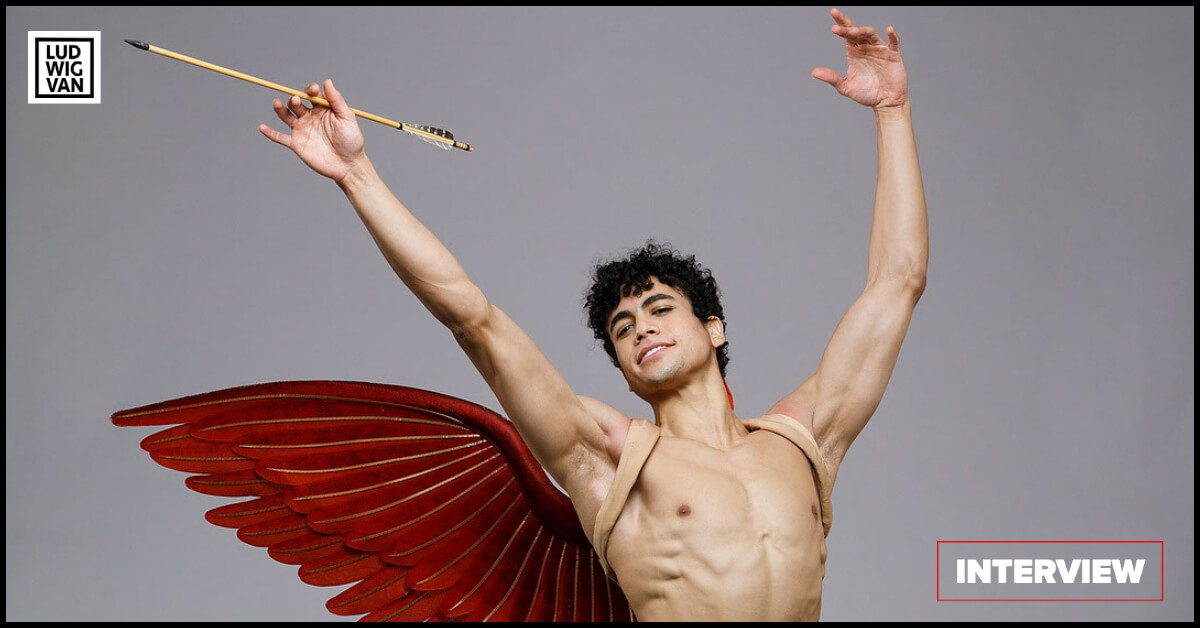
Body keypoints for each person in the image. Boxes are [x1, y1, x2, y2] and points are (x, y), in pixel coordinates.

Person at [257, 7, 926, 621]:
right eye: (623, 329)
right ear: (626, 374)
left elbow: (898, 281)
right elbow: (474, 320)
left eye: (660, 308)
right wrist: (357, 175)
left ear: (713, 328)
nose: (642, 329)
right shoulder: (609, 457)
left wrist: (891, 110)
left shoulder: (801, 441)